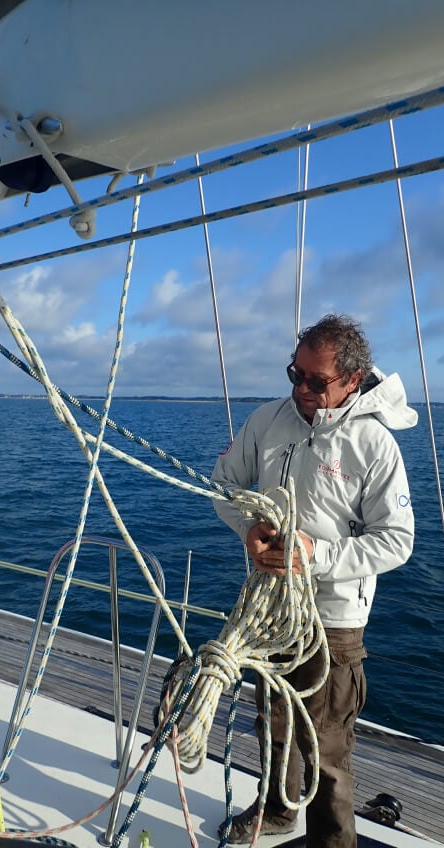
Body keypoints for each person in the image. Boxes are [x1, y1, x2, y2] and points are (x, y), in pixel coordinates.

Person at [211, 314, 416, 848]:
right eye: (294, 374)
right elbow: (224, 484)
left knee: (326, 747)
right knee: (273, 722)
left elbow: (397, 540)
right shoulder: (267, 421)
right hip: (274, 610)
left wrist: (314, 554)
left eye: (315, 381)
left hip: (335, 622)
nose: (300, 388)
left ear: (353, 379)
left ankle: (332, 843)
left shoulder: (375, 446)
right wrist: (248, 528)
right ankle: (278, 812)